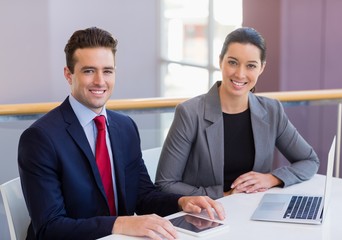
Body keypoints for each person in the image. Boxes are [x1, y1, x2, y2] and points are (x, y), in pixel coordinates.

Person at [17, 27, 225, 240]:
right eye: (89, 71)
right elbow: (49, 228)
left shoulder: (125, 127)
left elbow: (143, 197)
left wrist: (181, 202)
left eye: (107, 71)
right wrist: (121, 223)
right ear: (68, 75)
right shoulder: (40, 138)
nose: (100, 81)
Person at [155, 27, 320, 200]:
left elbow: (309, 161)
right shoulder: (190, 113)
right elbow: (165, 184)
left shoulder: (272, 110)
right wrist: (225, 195)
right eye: (233, 62)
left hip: (253, 210)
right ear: (221, 62)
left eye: (251, 66)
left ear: (261, 68)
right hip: (206, 215)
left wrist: (272, 179)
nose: (240, 74)